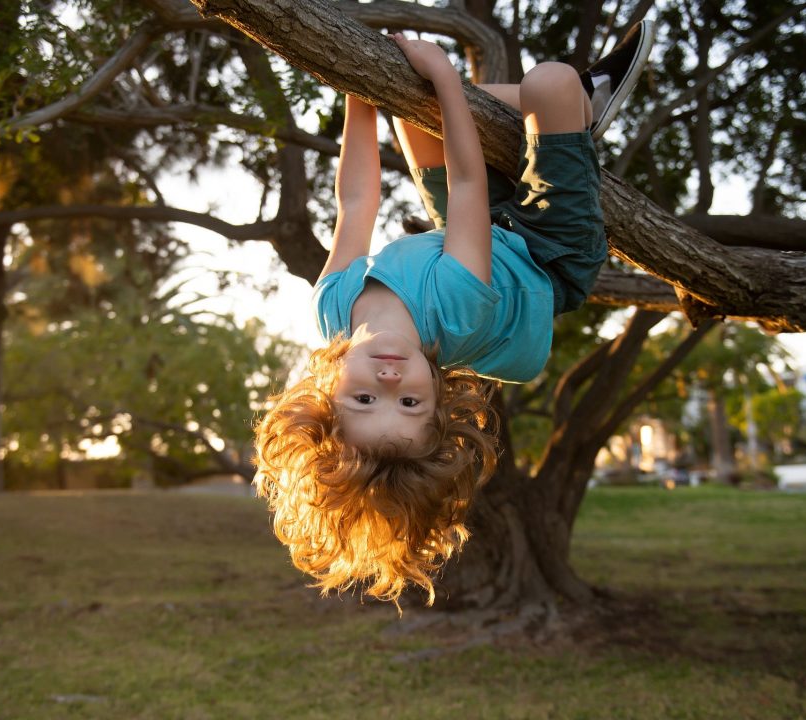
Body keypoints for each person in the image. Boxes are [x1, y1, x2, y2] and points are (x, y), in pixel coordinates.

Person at [253, 22, 655, 605]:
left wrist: (356, 92)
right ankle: (578, 106)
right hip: (547, 252)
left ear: (327, 399)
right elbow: (465, 181)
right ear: (439, 401)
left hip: (469, 233)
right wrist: (445, 73)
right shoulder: (456, 315)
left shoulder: (333, 309)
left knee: (406, 106)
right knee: (549, 83)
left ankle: (545, 122)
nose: (390, 380)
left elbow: (356, 201)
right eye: (410, 402)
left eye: (365, 400)